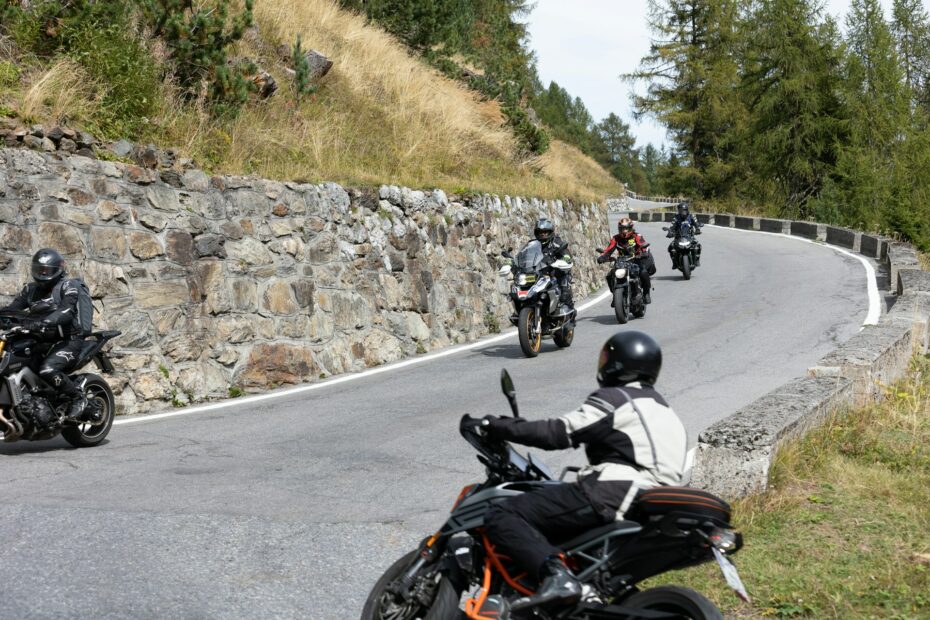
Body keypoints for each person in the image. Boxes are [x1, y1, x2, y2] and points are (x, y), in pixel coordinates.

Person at [481, 331, 688, 608]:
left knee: (502, 513)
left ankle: (556, 576)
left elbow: (559, 433)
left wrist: (498, 426)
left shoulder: (618, 398)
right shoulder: (665, 410)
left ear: (617, 364)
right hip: (654, 505)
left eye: (606, 358)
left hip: (613, 492)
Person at [0, 248, 93, 421]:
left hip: (68, 340)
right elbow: (13, 309)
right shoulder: (30, 289)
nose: (42, 274)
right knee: (16, 362)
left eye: (47, 270)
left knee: (47, 369)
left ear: (57, 269)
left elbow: (67, 310)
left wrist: (46, 322)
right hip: (41, 339)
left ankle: (78, 398)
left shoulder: (68, 286)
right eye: (39, 270)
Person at [597, 217, 653, 304]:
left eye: (626, 228)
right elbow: (609, 249)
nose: (624, 231)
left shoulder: (636, 236)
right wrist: (603, 257)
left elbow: (643, 244)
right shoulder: (615, 238)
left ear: (630, 228)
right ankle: (616, 295)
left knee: (643, 273)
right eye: (622, 228)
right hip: (621, 261)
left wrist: (644, 252)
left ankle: (646, 293)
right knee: (610, 276)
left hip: (636, 260)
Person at [533, 218, 574, 313]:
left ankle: (570, 313)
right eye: (540, 232)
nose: (542, 234)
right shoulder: (533, 245)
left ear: (550, 232)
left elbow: (566, 253)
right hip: (539, 275)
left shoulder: (557, 243)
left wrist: (565, 258)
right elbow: (524, 255)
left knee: (564, 291)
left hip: (555, 274)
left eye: (545, 232)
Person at [667, 202, 702, 266]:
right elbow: (672, 226)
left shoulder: (691, 216)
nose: (683, 212)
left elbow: (696, 223)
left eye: (684, 210)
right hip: (678, 237)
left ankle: (697, 260)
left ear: (687, 210)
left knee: (698, 246)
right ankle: (674, 263)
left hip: (690, 237)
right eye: (681, 211)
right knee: (670, 248)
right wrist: (670, 232)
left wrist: (698, 229)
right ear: (679, 211)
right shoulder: (676, 218)